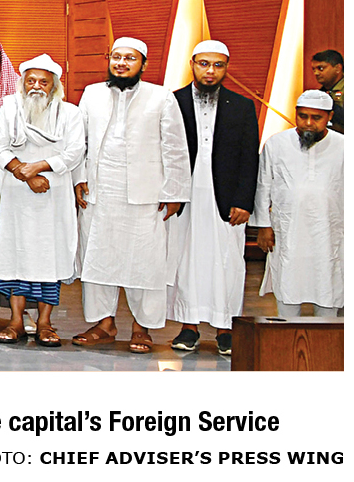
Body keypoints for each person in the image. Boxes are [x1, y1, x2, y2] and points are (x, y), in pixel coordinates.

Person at [72, 37, 190, 354]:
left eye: (130, 58)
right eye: (117, 57)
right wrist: (78, 178)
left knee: (145, 261)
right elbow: (79, 140)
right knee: (98, 258)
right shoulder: (92, 93)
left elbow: (175, 148)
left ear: (143, 64)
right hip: (100, 191)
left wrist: (175, 192)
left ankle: (142, 327)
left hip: (146, 193)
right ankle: (104, 324)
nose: (121, 63)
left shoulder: (161, 96)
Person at [166, 40, 260, 355]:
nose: (210, 71)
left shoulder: (242, 106)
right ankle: (189, 327)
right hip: (184, 198)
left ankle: (225, 328)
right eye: (204, 63)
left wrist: (244, 201)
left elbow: (249, 157)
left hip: (226, 201)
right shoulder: (172, 102)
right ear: (192, 64)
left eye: (218, 65)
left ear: (226, 68)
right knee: (186, 260)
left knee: (227, 263)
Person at [0, 55, 84, 346]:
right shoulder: (9, 108)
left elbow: (75, 152)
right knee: (16, 255)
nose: (36, 86)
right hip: (16, 194)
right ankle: (15, 321)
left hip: (54, 195)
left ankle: (45, 323)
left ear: (54, 86)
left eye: (43, 81)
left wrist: (39, 167)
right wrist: (23, 171)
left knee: (49, 257)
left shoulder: (70, 113)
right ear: (22, 83)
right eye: (31, 80)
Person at [253, 91, 343, 317]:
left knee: (329, 284)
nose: (308, 123)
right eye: (303, 116)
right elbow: (263, 186)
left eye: (316, 117)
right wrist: (263, 226)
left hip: (330, 232)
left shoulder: (344, 146)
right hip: (288, 230)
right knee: (288, 283)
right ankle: (287, 333)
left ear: (329, 116)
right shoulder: (276, 144)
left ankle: (325, 338)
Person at [310, 49, 342, 132]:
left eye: (320, 68)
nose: (316, 73)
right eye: (314, 69)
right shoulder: (321, 93)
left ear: (338, 68)